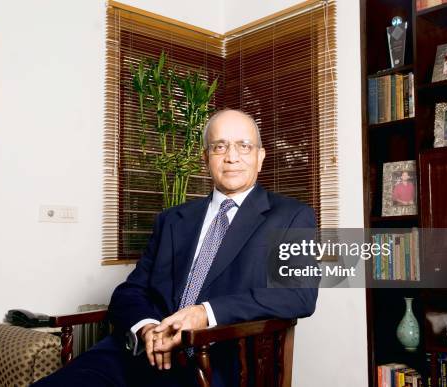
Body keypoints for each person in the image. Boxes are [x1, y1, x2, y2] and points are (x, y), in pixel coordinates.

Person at [34, 109, 318, 386]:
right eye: (220, 146)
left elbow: (297, 295)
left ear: (260, 156)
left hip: (212, 363)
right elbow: (130, 291)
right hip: (136, 355)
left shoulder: (292, 216)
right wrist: (146, 328)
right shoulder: (173, 219)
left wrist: (204, 313)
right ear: (206, 157)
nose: (232, 157)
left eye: (244, 146)